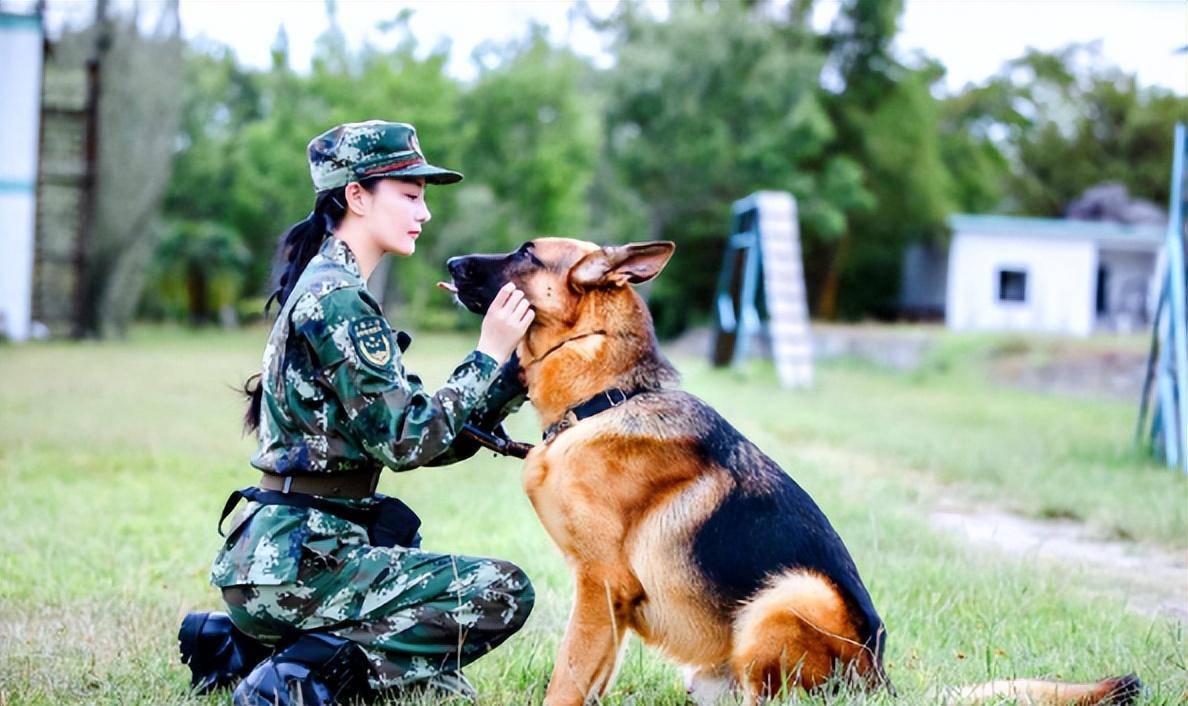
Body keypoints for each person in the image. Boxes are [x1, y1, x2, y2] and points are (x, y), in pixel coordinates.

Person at [177, 121, 536, 706]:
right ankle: (297, 678)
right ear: (357, 196)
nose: (424, 212)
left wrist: (512, 377)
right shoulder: (337, 298)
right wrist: (487, 352)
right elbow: (407, 441)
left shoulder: (334, 286)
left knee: (443, 675)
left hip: (289, 557)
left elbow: (430, 435)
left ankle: (245, 650)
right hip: (300, 564)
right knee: (503, 591)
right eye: (410, 195)